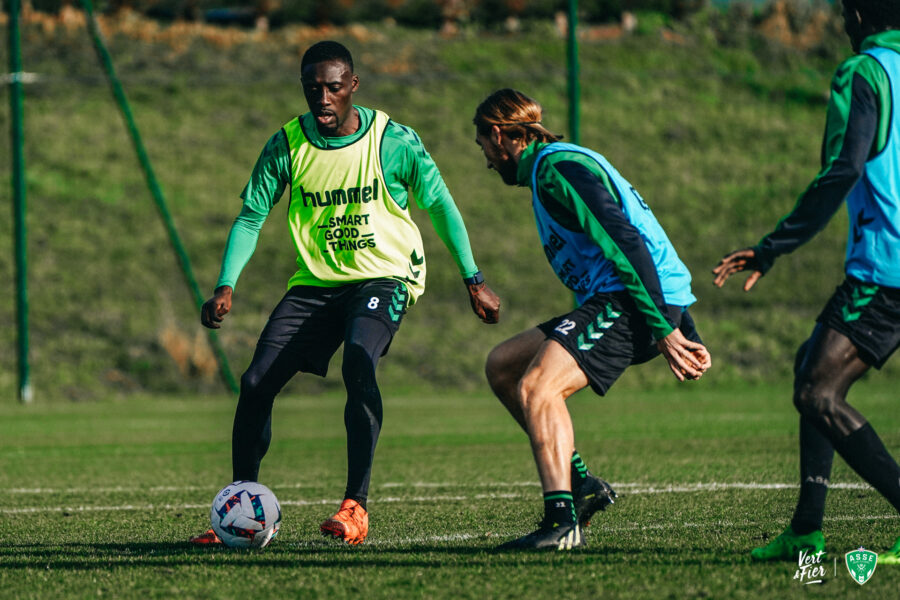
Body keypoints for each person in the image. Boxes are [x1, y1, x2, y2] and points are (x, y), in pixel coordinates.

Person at [190, 40, 501, 546]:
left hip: (384, 277)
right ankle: (239, 507)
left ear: (353, 85)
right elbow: (250, 218)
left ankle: (355, 507)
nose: (323, 98)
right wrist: (226, 283)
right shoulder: (286, 145)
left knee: (359, 358)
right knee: (255, 383)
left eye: (333, 87)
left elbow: (440, 205)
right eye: (313, 88)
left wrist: (474, 279)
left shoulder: (393, 141)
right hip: (315, 285)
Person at [474, 89, 711, 550]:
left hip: (632, 300)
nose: (484, 158)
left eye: (482, 143)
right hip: (634, 298)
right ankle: (581, 485)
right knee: (504, 366)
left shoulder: (557, 169)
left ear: (499, 135)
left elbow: (626, 240)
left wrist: (666, 327)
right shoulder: (551, 167)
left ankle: (562, 523)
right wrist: (679, 320)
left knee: (538, 387)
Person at [713, 0, 900, 565]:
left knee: (816, 392)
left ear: (860, 15)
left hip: (887, 267)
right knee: (810, 365)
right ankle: (805, 528)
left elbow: (844, 167)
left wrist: (774, 246)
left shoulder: (864, 71)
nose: (842, 23)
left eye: (844, 12)